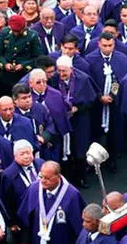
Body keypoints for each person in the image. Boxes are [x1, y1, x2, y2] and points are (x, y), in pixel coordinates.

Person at [85, 31, 127, 171]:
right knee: (96, 132)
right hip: (96, 104)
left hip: (114, 103)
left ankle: (112, 160)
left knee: (114, 133)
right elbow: (89, 82)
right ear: (99, 44)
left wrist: (112, 94)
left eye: (110, 45)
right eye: (104, 45)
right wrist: (99, 96)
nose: (107, 48)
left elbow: (121, 79)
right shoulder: (90, 59)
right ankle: (94, 161)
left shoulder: (122, 58)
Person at [51, 55, 97, 188]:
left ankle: (81, 178)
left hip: (80, 119)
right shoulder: (54, 79)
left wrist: (78, 108)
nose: (61, 74)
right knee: (64, 150)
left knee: (80, 150)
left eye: (64, 71)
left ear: (71, 69)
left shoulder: (83, 79)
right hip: (61, 119)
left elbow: (91, 100)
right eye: (58, 71)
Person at [17, 161, 86, 244]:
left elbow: (80, 227)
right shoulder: (33, 189)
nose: (43, 181)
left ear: (58, 177)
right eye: (41, 177)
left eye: (47, 178)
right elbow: (25, 218)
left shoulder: (72, 195)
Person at [0, 14, 42, 105]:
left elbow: (37, 57)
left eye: (17, 31)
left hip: (23, 75)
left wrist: (23, 65)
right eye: (14, 31)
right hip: (6, 75)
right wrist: (5, 64)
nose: (15, 33)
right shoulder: (5, 33)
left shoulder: (32, 36)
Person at [0, 140, 43, 236]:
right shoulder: (8, 174)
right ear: (15, 156)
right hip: (23, 219)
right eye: (22, 154)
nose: (26, 156)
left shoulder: (41, 164)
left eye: (28, 152)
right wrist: (11, 222)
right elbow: (6, 201)